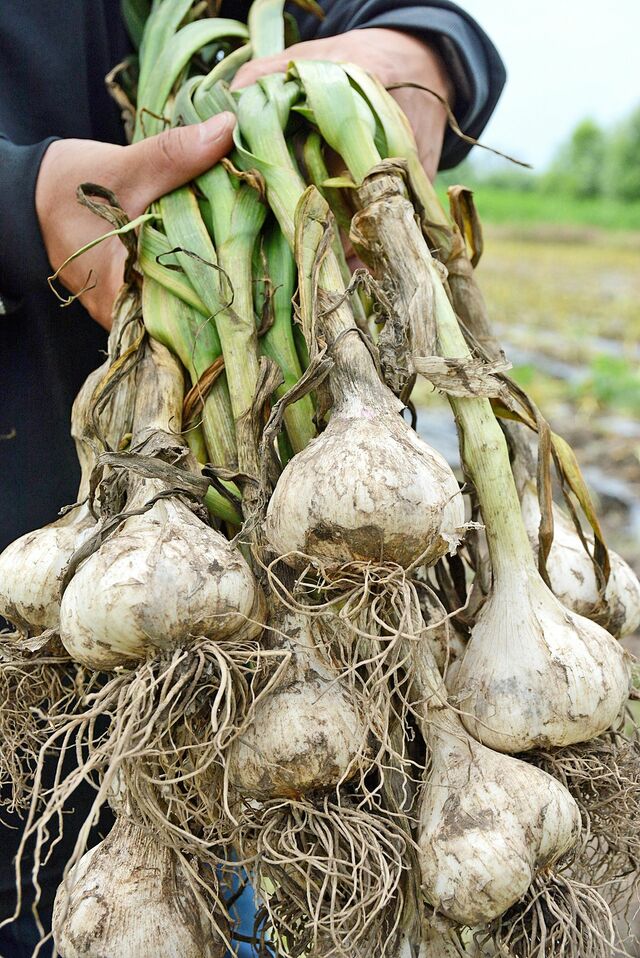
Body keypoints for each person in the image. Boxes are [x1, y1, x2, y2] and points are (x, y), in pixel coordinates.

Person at [0, 1, 505, 953]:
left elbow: (383, 17)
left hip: (237, 611)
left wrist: (426, 48)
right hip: (66, 576)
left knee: (237, 849)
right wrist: (18, 197)